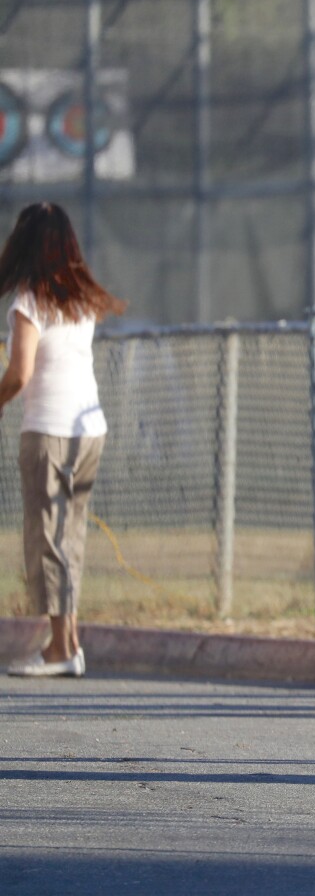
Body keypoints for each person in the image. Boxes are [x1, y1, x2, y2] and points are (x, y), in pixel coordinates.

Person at [1, 203, 125, 679]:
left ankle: (59, 647)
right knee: (68, 539)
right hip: (89, 431)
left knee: (47, 540)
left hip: (49, 431)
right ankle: (69, 643)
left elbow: (20, 372)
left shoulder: (30, 301)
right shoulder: (81, 301)